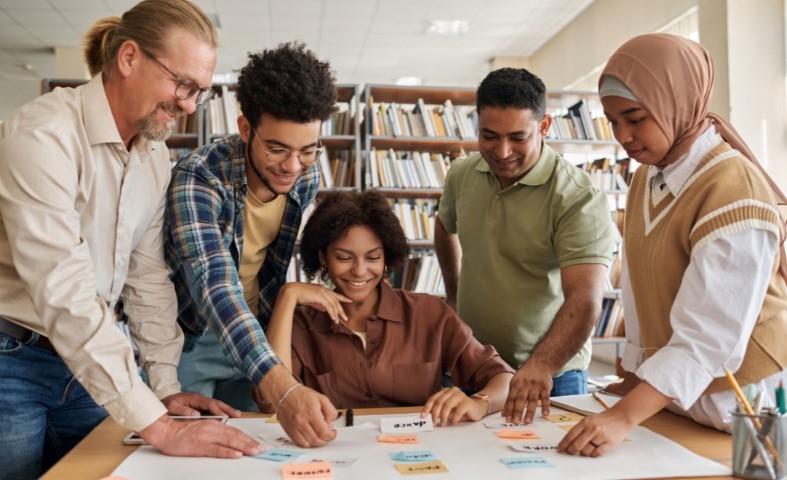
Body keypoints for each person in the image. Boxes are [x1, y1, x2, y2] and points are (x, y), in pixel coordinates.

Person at [0, 1, 266, 478]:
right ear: (128, 59)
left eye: (199, 92)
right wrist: (160, 426)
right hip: (11, 361)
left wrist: (164, 386)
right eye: (182, 84)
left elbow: (147, 279)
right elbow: (63, 290)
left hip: (86, 362)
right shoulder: (42, 137)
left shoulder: (153, 157)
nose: (188, 105)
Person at [557, 33, 787, 458]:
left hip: (742, 408)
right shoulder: (646, 176)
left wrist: (625, 416)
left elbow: (711, 335)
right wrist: (629, 382)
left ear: (677, 103)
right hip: (672, 401)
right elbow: (642, 293)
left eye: (636, 117)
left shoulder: (733, 186)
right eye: (613, 121)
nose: (623, 135)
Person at [165, 42, 339, 448]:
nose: (292, 167)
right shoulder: (199, 178)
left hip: (254, 332)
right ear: (246, 129)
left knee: (256, 448)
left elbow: (272, 266)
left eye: (308, 151)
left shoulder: (304, 177)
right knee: (187, 454)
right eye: (277, 148)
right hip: (193, 335)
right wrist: (281, 383)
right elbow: (214, 283)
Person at [434, 68, 615, 425]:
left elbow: (585, 299)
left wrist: (541, 365)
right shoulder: (461, 175)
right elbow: (444, 226)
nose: (502, 152)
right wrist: (453, 293)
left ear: (545, 126)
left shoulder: (578, 197)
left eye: (518, 137)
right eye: (489, 136)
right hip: (474, 364)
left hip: (551, 375)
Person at [263, 191, 515, 425]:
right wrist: (288, 295)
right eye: (344, 257)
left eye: (373, 257)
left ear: (386, 258)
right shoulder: (300, 323)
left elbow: (505, 378)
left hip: (418, 452)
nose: (360, 270)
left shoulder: (428, 313)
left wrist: (479, 403)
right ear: (323, 258)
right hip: (336, 453)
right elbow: (270, 402)